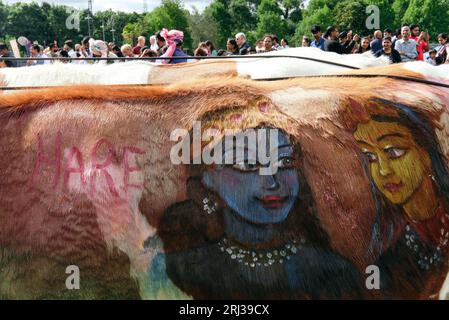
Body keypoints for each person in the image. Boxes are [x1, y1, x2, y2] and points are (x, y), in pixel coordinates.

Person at [151, 106, 366, 299]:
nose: (272, 182)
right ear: (208, 176)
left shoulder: (332, 271)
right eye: (247, 165)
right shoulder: (179, 269)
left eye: (284, 161)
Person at [353, 99, 449, 298]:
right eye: (370, 157)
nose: (383, 170)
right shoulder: (386, 247)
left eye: (394, 152)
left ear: (425, 154)